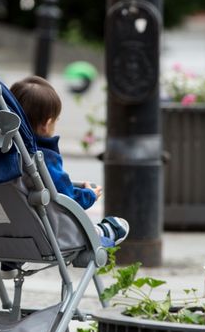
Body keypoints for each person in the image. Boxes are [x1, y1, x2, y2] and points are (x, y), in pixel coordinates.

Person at [8, 76, 129, 248]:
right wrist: (90, 195)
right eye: (56, 121)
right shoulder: (43, 158)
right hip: (48, 236)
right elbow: (66, 198)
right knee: (106, 227)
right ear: (47, 123)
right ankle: (103, 231)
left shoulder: (3, 154)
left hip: (9, 234)